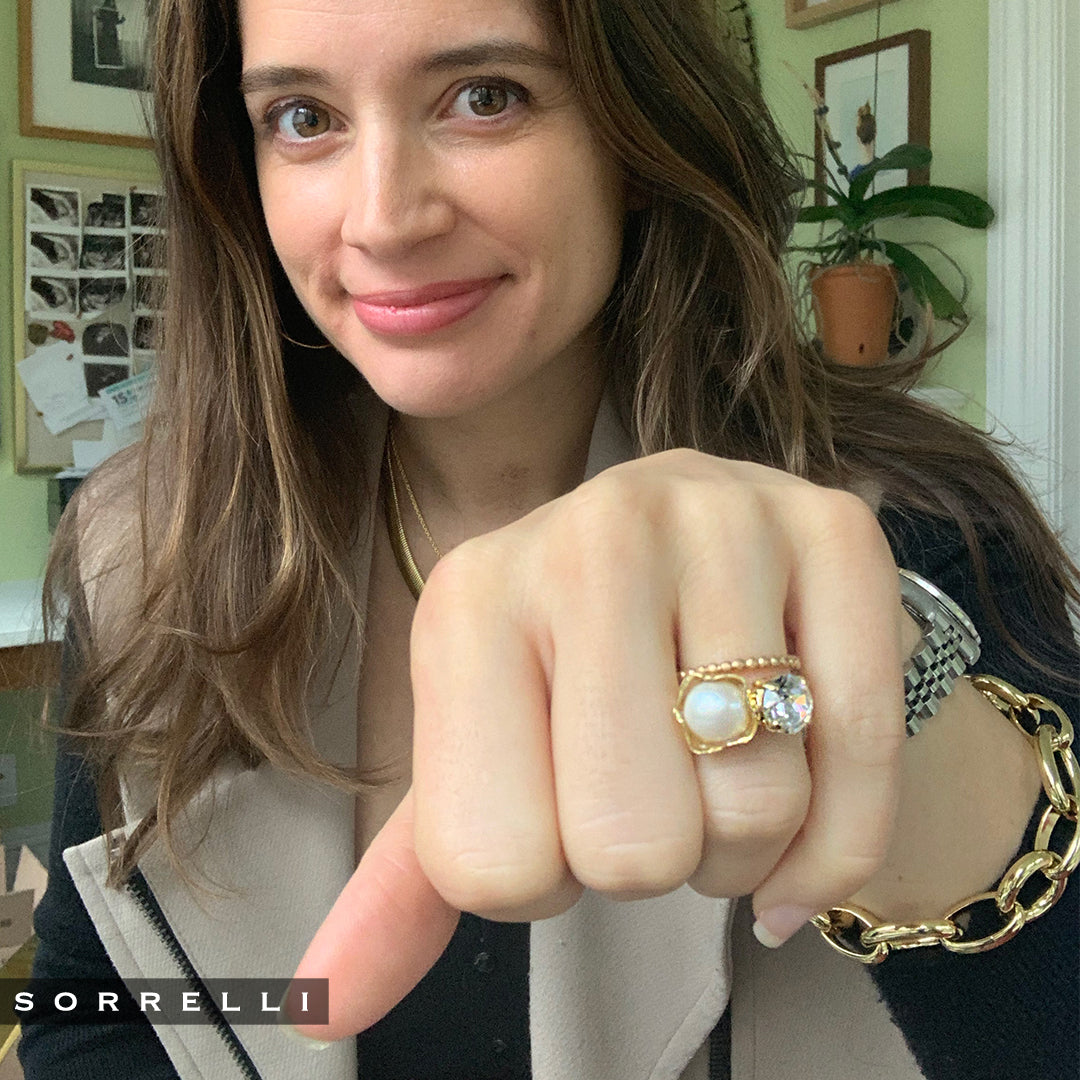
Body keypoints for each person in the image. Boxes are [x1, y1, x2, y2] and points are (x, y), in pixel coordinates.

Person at [18, 0, 1079, 1078]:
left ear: (640, 131)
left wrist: (898, 707)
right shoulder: (144, 549)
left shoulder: (917, 528)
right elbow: (91, 1006)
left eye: (486, 97)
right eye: (303, 117)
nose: (383, 220)